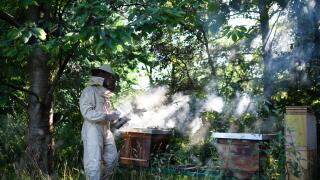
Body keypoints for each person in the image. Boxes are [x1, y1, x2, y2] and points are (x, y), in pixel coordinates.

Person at [79, 64, 121, 180]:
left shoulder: (105, 95)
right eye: (111, 77)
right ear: (103, 76)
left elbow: (108, 115)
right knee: (94, 163)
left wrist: (117, 118)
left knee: (112, 160)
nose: (112, 81)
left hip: (105, 129)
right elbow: (87, 113)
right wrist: (107, 116)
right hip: (92, 129)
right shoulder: (89, 90)